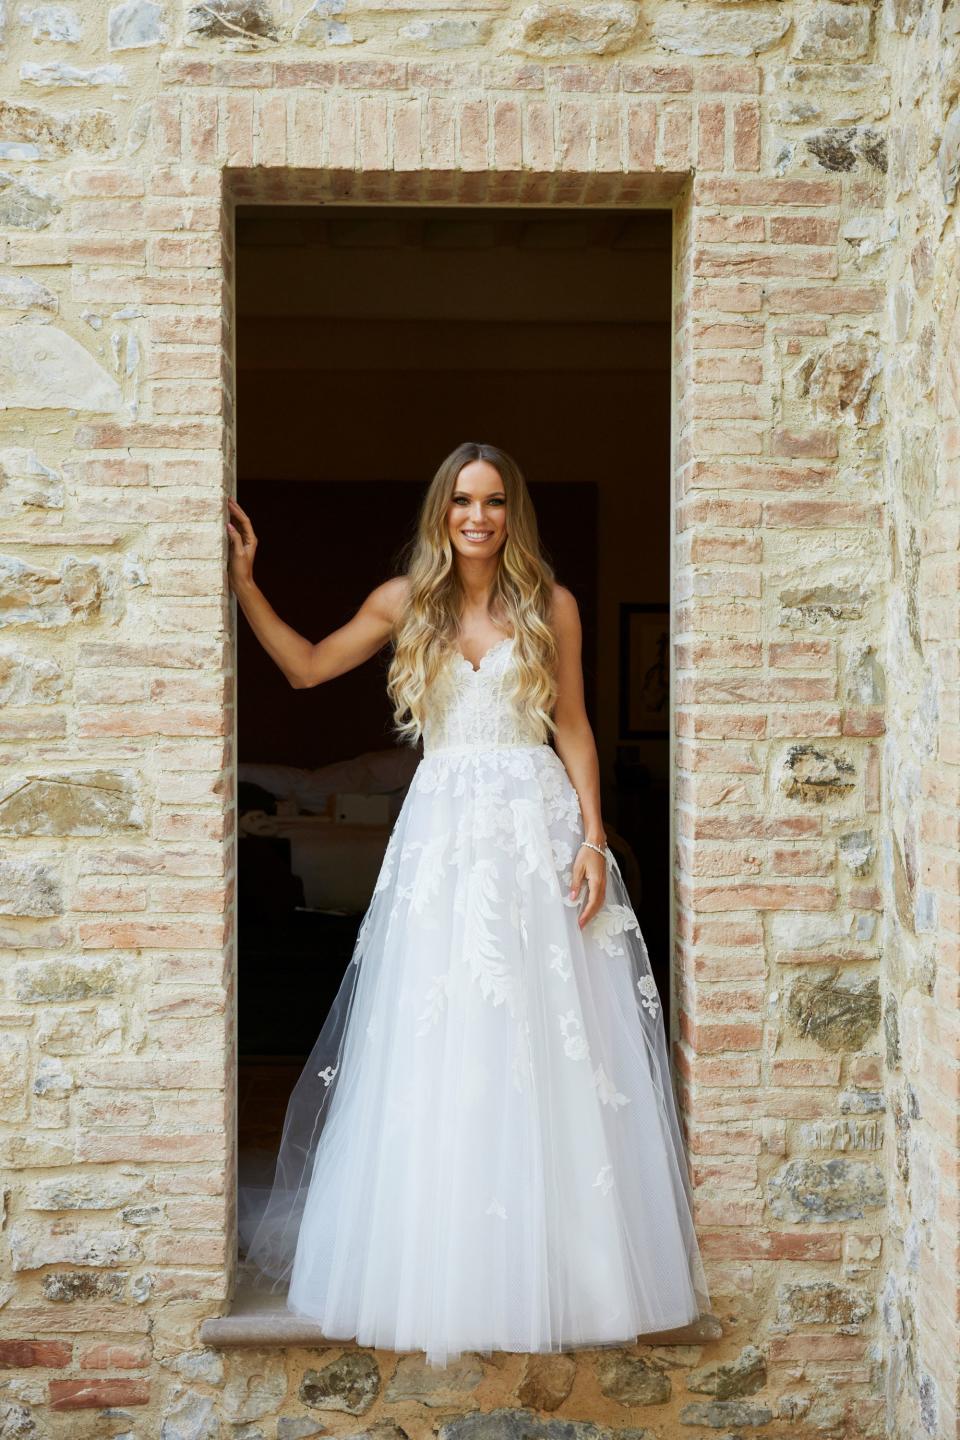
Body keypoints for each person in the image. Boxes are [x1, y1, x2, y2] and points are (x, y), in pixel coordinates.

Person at [226, 441, 711, 1369]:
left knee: (547, 1032)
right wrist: (248, 585)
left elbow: (571, 725)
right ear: (442, 514)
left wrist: (596, 839)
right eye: (461, 503)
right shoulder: (406, 601)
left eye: (491, 502)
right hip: (445, 836)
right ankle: (448, 1256)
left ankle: (568, 1265)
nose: (477, 517)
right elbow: (307, 668)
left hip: (536, 830)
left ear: (511, 512)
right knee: (443, 1034)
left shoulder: (550, 605)